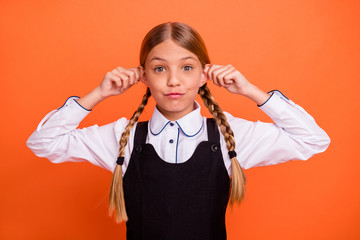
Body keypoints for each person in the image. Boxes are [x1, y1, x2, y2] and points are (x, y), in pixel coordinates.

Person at [27, 22, 330, 239]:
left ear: (203, 74)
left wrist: (252, 91)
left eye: (187, 67)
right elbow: (43, 143)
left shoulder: (230, 137)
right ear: (143, 76)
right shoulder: (125, 138)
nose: (174, 81)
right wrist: (98, 93)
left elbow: (312, 140)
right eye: (160, 68)